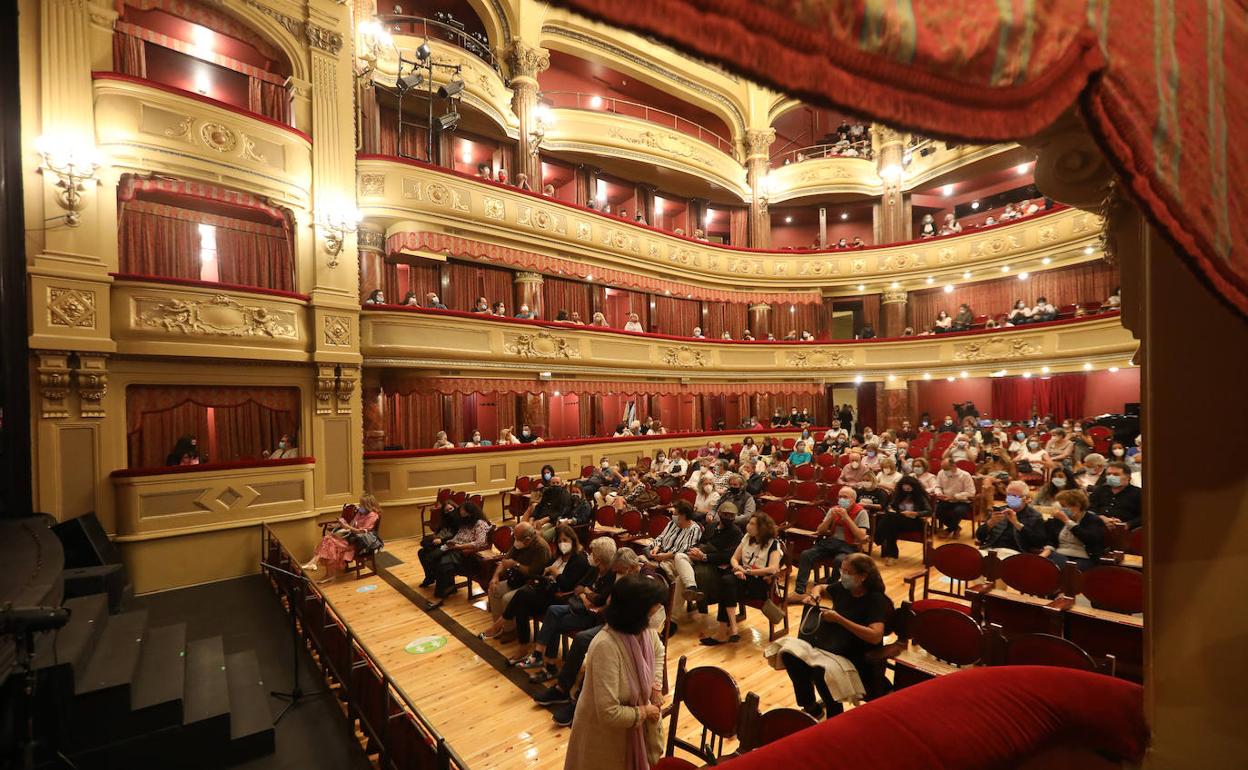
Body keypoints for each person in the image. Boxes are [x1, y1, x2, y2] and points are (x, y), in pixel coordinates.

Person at [562, 575, 668, 770]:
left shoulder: (645, 631)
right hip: (602, 737)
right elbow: (609, 712)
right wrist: (645, 711)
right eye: (655, 606)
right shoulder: (605, 646)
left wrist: (655, 685)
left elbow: (659, 652)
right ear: (637, 610)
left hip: (630, 728)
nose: (659, 611)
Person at [772, 553, 893, 719]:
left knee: (821, 670)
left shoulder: (875, 600)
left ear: (863, 576)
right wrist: (815, 594)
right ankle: (812, 708)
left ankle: (834, 715)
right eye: (841, 570)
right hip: (834, 647)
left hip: (858, 656)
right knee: (789, 654)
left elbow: (875, 636)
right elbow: (821, 587)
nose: (842, 575)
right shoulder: (843, 588)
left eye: (847, 572)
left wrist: (839, 619)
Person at [521, 537, 619, 675]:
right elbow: (578, 587)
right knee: (552, 610)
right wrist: (586, 594)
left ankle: (549, 666)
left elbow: (599, 600)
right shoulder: (594, 569)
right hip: (578, 606)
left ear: (598, 559)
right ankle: (540, 656)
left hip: (591, 616)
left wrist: (586, 592)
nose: (590, 555)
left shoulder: (611, 577)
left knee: (554, 622)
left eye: (593, 553)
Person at [700, 512, 783, 646]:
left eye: (752, 524)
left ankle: (727, 630)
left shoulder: (773, 544)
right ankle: (731, 629)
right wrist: (738, 568)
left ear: (762, 527)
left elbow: (773, 569)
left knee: (726, 583)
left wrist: (747, 571)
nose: (748, 526)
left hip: (759, 583)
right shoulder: (747, 537)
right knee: (727, 582)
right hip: (741, 577)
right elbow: (734, 558)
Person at [479, 521, 551, 639]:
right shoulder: (518, 542)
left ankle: (510, 630)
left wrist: (515, 564)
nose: (514, 541)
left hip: (532, 584)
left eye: (516, 538)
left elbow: (533, 572)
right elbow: (505, 561)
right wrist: (495, 577)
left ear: (527, 540)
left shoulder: (541, 548)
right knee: (494, 589)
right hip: (516, 579)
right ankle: (498, 627)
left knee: (507, 599)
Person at [792, 487, 868, 598]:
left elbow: (861, 536)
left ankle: (831, 588)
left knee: (839, 561)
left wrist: (846, 518)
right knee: (806, 554)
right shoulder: (834, 509)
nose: (841, 499)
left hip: (849, 546)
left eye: (845, 497)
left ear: (853, 499)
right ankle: (799, 591)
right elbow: (820, 530)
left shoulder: (861, 512)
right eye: (840, 497)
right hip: (831, 543)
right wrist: (830, 517)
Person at [417, 500, 489, 602]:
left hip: (466, 554)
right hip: (455, 548)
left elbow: (479, 543)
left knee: (442, 562)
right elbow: (457, 537)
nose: (461, 515)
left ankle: (444, 591)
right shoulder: (465, 523)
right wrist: (449, 543)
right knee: (430, 555)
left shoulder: (480, 523)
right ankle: (445, 586)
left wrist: (459, 546)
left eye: (463, 513)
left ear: (470, 512)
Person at [303, 496, 382, 582]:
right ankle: (325, 572)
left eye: (361, 504)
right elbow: (351, 526)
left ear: (368, 505)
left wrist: (348, 527)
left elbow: (362, 532)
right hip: (350, 537)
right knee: (329, 541)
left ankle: (318, 565)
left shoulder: (373, 515)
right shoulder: (360, 513)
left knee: (329, 541)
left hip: (358, 542)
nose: (359, 506)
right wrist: (344, 525)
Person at [643, 500, 702, 614]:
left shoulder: (694, 529)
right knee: (638, 564)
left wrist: (665, 556)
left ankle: (661, 607)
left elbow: (685, 549)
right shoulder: (671, 523)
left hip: (674, 560)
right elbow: (660, 537)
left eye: (675, 514)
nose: (673, 516)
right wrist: (656, 547)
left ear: (683, 515)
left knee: (656, 574)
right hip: (659, 555)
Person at [1040, 489, 1106, 570]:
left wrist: (1067, 521)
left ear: (1077, 506)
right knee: (1046, 565)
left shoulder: (1093, 520)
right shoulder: (1058, 519)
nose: (1062, 509)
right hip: (1060, 553)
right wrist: (1044, 554)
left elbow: (1090, 539)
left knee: (1069, 569)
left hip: (1084, 557)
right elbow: (1051, 540)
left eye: (1064, 506)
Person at [976, 480, 1046, 555]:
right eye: (1009, 495)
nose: (1012, 499)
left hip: (1015, 553)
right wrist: (990, 523)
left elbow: (1039, 543)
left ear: (1025, 499)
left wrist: (1017, 525)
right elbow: (979, 536)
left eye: (1015, 496)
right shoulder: (999, 511)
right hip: (991, 549)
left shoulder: (1035, 516)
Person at [874, 476, 930, 566]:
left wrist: (915, 513)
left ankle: (878, 538)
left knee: (890, 519)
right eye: (904, 485)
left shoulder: (920, 496)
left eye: (909, 485)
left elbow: (929, 511)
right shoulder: (899, 494)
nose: (906, 487)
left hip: (914, 522)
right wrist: (890, 508)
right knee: (891, 525)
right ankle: (891, 556)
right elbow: (891, 505)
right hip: (898, 520)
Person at [1089, 462, 1142, 528]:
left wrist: (1128, 524)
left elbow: (1145, 516)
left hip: (1127, 531)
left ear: (1128, 477)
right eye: (1108, 474)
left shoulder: (1139, 493)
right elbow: (1090, 509)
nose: (1111, 477)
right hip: (1099, 527)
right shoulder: (1099, 490)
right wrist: (1101, 518)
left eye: (1116, 474)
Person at [933, 458, 975, 537]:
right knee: (937, 510)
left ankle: (948, 530)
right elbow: (937, 486)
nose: (944, 471)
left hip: (962, 501)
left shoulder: (965, 475)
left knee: (958, 511)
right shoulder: (941, 473)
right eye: (943, 468)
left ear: (954, 466)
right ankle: (956, 528)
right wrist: (939, 493)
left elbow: (971, 492)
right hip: (945, 500)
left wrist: (954, 497)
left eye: (946, 469)